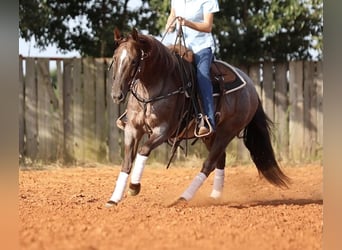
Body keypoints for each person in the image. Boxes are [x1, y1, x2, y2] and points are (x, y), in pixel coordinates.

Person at [165, 0, 219, 137]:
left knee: (202, 76)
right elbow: (172, 14)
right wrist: (169, 25)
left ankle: (208, 120)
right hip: (180, 46)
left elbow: (208, 27)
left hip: (201, 47)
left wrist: (187, 23)